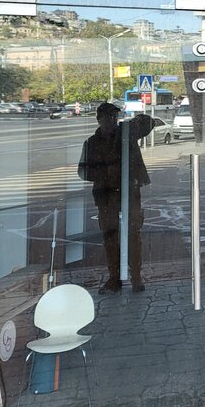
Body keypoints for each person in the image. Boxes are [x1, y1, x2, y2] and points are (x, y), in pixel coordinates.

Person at [78, 102, 158, 294]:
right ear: (99, 119)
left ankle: (136, 277)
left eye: (115, 117)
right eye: (108, 117)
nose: (112, 120)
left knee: (133, 235)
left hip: (129, 193)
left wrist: (130, 124)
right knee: (110, 237)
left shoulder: (126, 134)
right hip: (106, 195)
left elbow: (149, 122)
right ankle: (114, 278)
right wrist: (106, 172)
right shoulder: (92, 143)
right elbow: (83, 171)